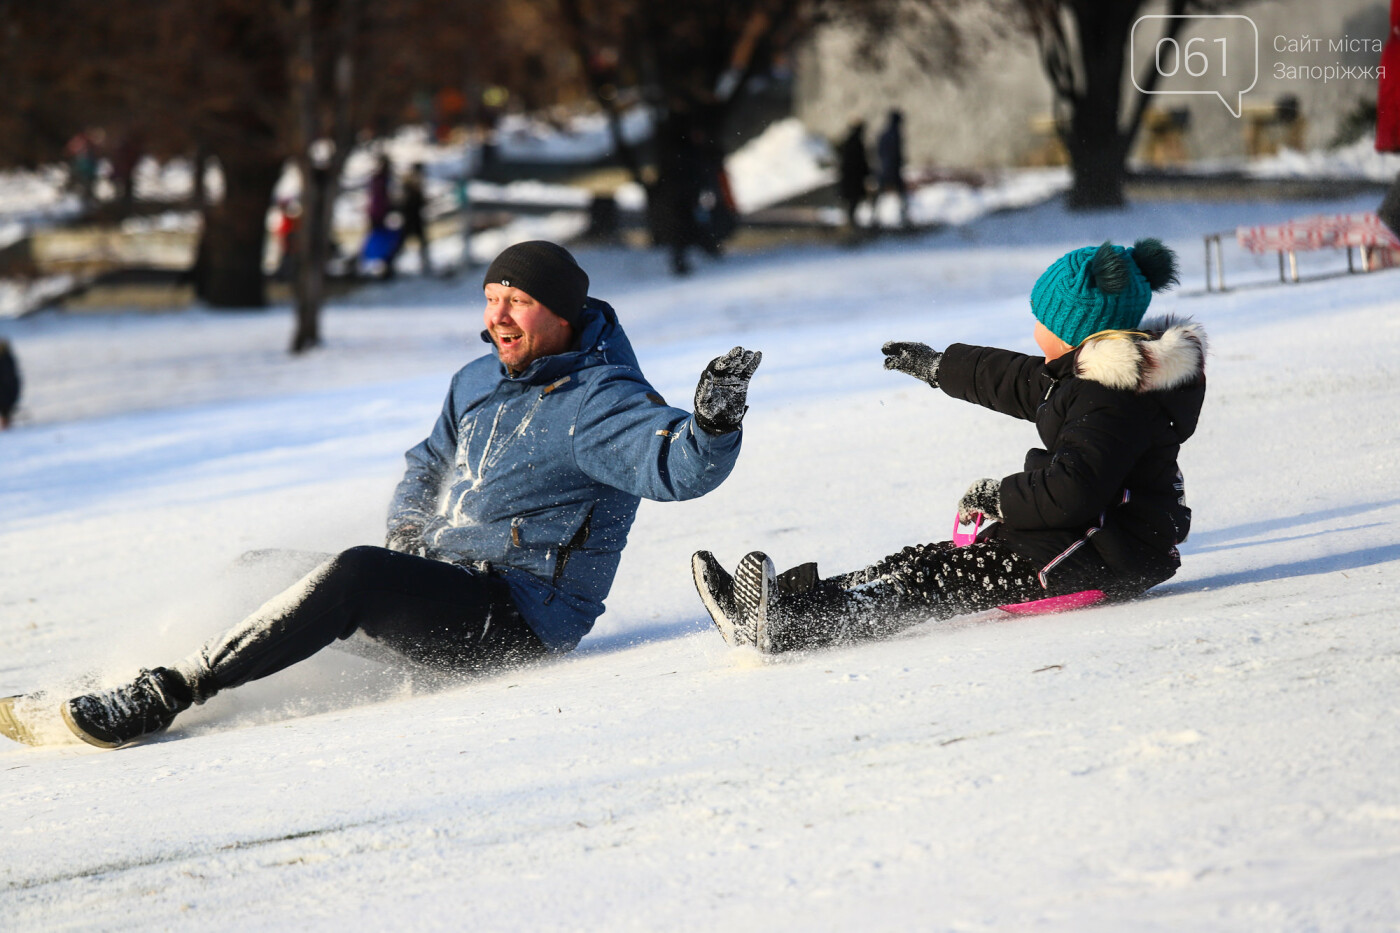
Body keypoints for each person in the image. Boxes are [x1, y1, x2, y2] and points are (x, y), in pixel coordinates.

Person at [22, 242, 761, 748]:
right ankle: (110, 678)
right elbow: (427, 461)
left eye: (519, 301)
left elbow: (679, 465)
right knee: (265, 567)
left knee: (356, 574)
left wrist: (715, 423)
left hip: (518, 617)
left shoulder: (602, 400)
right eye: (492, 298)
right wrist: (408, 532)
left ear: (563, 313)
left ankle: (167, 692)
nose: (497, 317)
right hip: (445, 582)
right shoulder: (476, 382)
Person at [693, 239, 1204, 654]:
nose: (1034, 329)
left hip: (1103, 551)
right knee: (917, 561)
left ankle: (788, 628)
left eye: (1042, 319)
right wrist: (938, 367)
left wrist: (997, 496)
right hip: (1079, 537)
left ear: (1075, 332)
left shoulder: (1110, 400)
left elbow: (1074, 491)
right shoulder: (1090, 377)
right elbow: (1016, 380)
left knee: (933, 578)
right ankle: (772, 606)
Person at [876, 109, 910, 228]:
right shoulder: (894, 134)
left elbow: (879, 151)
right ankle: (903, 219)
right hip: (891, 169)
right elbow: (893, 154)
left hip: (886, 168)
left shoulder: (886, 134)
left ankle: (876, 218)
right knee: (900, 196)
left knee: (881, 196)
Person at [837, 119, 871, 229]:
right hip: (853, 178)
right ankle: (851, 223)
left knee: (853, 201)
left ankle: (851, 222)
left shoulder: (850, 141)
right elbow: (858, 162)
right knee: (853, 200)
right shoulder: (855, 143)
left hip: (851, 178)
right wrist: (866, 171)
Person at [399, 162, 432, 276]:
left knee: (422, 244)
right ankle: (392, 265)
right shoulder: (410, 183)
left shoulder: (414, 183)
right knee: (402, 243)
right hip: (411, 218)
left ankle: (426, 265)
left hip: (416, 218)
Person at [0, 338, 20, 429]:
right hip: (8, 392)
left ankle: (6, 426)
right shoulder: (9, 359)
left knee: (5, 409)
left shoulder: (7, 359)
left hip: (7, 392)